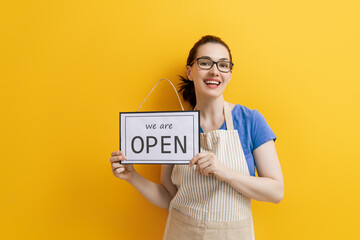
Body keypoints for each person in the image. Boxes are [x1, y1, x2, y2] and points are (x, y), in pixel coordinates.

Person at [110, 35, 284, 240]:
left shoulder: (250, 120)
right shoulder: (174, 126)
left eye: (223, 65)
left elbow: (276, 192)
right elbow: (170, 197)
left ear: (229, 73)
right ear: (190, 72)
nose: (214, 71)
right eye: (205, 63)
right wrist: (133, 177)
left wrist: (224, 172)